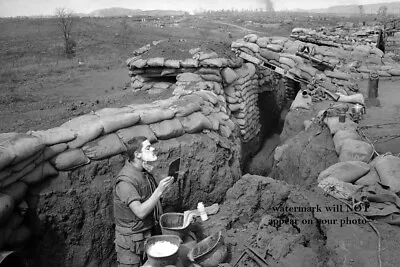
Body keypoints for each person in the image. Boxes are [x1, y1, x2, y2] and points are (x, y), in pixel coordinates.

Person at [113, 136, 174, 267]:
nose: (153, 149)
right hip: (130, 242)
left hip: (147, 234)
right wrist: (159, 190)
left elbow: (152, 198)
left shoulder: (144, 172)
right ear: (137, 154)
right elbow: (140, 212)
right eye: (147, 148)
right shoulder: (125, 182)